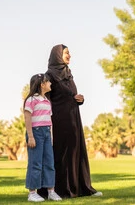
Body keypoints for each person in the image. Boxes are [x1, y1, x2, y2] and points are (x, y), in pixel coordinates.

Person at [45, 44, 102, 198]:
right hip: (59, 120)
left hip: (73, 119)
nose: (69, 55)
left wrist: (79, 99)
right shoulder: (49, 75)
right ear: (57, 55)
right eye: (66, 53)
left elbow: (70, 95)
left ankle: (81, 188)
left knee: (75, 152)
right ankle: (60, 190)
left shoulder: (68, 74)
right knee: (61, 153)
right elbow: (46, 100)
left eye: (69, 53)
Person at [23, 73, 62, 202]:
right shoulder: (31, 100)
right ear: (42, 84)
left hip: (46, 133)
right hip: (35, 133)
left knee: (49, 163)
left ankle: (51, 191)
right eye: (48, 82)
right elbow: (27, 118)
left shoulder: (46, 100)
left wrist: (50, 136)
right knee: (35, 163)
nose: (50, 84)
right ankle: (32, 193)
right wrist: (31, 136)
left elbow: (49, 121)